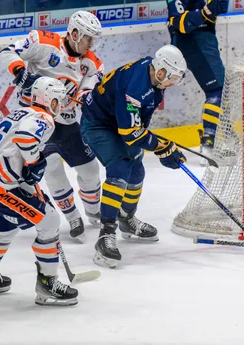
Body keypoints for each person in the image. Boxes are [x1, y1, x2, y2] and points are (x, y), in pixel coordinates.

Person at [0, 10, 104, 242]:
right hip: (36, 120)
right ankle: (73, 216)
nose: (91, 43)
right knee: (53, 167)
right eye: (88, 37)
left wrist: (86, 97)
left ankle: (94, 210)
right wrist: (20, 73)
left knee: (90, 170)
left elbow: (89, 90)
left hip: (66, 123)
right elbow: (8, 51)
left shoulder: (91, 63)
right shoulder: (44, 42)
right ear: (74, 33)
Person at [80, 45, 188, 268]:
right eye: (173, 78)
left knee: (137, 169)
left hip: (118, 123)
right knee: (119, 168)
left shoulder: (153, 77)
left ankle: (127, 220)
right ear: (161, 72)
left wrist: (160, 147)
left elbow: (136, 125)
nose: (173, 83)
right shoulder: (135, 86)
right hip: (98, 125)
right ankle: (106, 234)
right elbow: (130, 133)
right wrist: (161, 146)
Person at [0, 77, 78, 306]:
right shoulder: (43, 117)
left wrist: (27, 178)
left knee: (4, 229)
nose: (60, 105)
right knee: (50, 221)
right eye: (58, 100)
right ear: (49, 99)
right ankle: (47, 284)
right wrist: (34, 163)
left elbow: (8, 148)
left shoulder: (20, 113)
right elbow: (25, 139)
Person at [166, 0, 228, 159]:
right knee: (217, 90)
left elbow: (220, 7)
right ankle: (209, 143)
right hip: (193, 41)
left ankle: (218, 136)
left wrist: (211, 10)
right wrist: (205, 12)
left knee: (219, 91)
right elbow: (181, 23)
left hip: (203, 40)